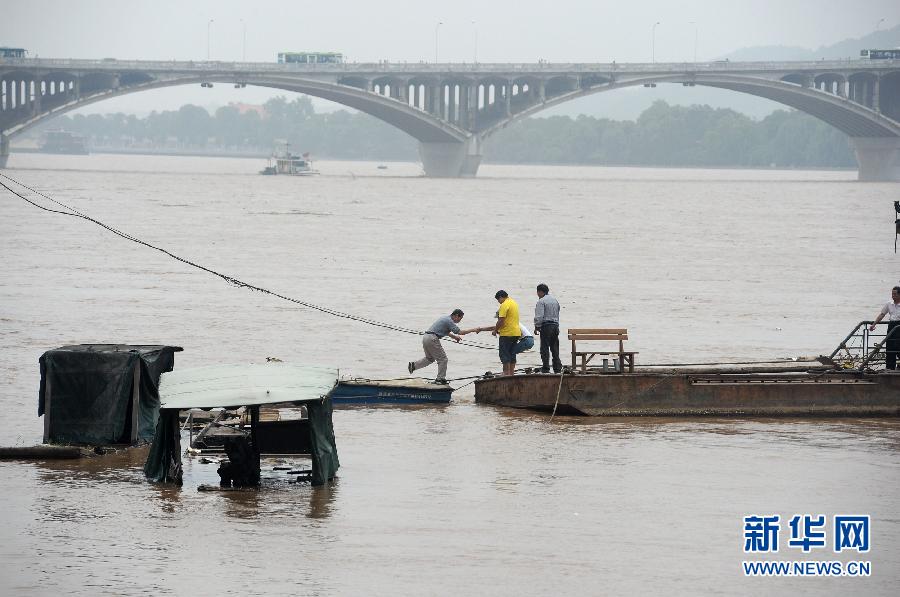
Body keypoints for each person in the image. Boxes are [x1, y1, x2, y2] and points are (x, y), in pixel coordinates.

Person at [408, 309, 476, 383]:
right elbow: (461, 332)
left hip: (426, 337)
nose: (460, 320)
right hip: (432, 338)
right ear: (456, 315)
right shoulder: (449, 321)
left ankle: (414, 366)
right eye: (460, 318)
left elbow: (446, 331)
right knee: (443, 359)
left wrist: (454, 337)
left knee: (430, 359)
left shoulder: (445, 318)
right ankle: (440, 379)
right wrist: (474, 329)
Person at [869, 286, 900, 370]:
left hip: (899, 326)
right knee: (889, 347)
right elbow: (882, 314)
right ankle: (890, 368)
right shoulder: (889, 303)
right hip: (891, 325)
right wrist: (874, 324)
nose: (893, 296)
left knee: (898, 347)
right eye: (892, 294)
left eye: (895, 294)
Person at [534, 283, 562, 373]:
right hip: (555, 326)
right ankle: (557, 368)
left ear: (540, 292)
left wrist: (537, 327)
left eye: (537, 292)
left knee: (544, 348)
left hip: (546, 326)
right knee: (554, 347)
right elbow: (558, 313)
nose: (537, 294)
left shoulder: (541, 301)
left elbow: (539, 316)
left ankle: (546, 368)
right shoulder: (555, 300)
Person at [492, 290, 521, 376]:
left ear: (501, 297)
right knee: (512, 354)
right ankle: (511, 374)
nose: (499, 302)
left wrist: (495, 330)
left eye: (498, 300)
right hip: (516, 333)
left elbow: (501, 320)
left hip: (507, 333)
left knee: (504, 354)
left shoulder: (504, 305)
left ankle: (506, 373)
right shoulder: (514, 303)